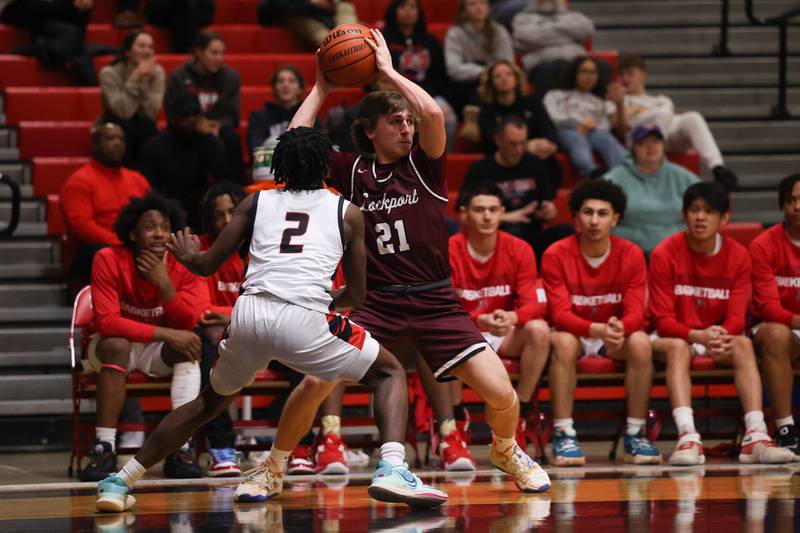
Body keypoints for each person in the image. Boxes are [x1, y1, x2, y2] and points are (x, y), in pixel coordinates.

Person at [93, 126, 447, 513]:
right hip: (304, 317)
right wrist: (327, 299)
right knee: (389, 372)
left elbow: (207, 264)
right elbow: (359, 295)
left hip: (249, 315)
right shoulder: (347, 212)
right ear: (325, 166)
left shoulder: (255, 203)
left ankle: (119, 481)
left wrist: (187, 254)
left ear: (280, 165)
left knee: (207, 403)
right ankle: (393, 467)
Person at [294, 29, 550, 492]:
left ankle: (506, 449)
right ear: (371, 131)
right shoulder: (353, 170)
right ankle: (272, 465)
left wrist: (389, 72)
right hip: (378, 303)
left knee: (502, 393)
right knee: (314, 383)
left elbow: (431, 110)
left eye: (407, 121)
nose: (407, 127)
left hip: (436, 303)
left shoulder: (425, 165)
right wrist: (322, 88)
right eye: (395, 121)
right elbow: (296, 141)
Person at [649, 182, 793, 466]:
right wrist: (697, 335)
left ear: (724, 218)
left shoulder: (739, 255)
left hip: (717, 336)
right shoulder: (664, 253)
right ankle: (687, 436)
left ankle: (756, 435)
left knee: (742, 343)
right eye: (694, 210)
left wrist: (716, 335)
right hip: (679, 335)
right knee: (678, 347)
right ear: (684, 215)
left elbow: (737, 319)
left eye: (709, 211)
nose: (700, 217)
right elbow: (663, 321)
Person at [80, 192, 206, 482]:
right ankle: (104, 446)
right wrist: (166, 333)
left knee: (189, 347)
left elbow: (188, 320)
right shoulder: (108, 258)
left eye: (164, 226)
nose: (159, 233)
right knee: (117, 345)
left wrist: (164, 284)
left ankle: (180, 447)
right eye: (150, 226)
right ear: (133, 234)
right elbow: (108, 323)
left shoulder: (183, 264)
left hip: (155, 349)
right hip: (110, 348)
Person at [541, 179, 660, 466]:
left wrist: (621, 328)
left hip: (612, 335)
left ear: (615, 219)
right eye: (588, 212)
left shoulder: (630, 253)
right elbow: (559, 315)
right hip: (577, 332)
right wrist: (599, 329)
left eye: (602, 213)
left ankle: (635, 434)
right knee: (564, 342)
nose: (594, 220)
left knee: (641, 342)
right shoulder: (556, 254)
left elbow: (635, 311)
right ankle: (564, 434)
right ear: (576, 217)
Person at [450, 183, 550, 451]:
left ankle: (521, 413)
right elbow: (441, 306)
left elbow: (536, 302)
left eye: (493, 210)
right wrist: (477, 318)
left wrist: (513, 316)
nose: (487, 216)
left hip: (503, 331)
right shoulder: (448, 249)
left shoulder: (519, 249)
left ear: (502, 213)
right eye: (479, 210)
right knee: (444, 335)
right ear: (463, 214)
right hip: (465, 332)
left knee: (540, 330)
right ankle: (456, 420)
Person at [617, 54, 738, 190]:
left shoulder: (661, 99)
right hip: (639, 141)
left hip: (666, 135)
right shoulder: (621, 101)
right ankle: (660, 165)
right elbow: (621, 127)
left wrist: (639, 110)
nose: (625, 78)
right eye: (621, 75)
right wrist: (621, 105)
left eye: (629, 73)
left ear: (643, 74)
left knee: (693, 117)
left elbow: (670, 114)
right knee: (662, 113)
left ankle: (717, 168)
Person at [461, 115, 570, 261]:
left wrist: (548, 211)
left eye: (522, 143)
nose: (518, 149)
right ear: (498, 140)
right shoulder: (480, 169)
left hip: (533, 231)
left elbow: (550, 206)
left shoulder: (535, 164)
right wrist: (506, 217)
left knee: (566, 232)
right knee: (513, 235)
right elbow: (463, 217)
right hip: (498, 233)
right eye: (512, 144)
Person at [196, 182, 247, 477]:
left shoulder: (261, 245)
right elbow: (203, 313)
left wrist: (224, 313)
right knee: (211, 337)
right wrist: (236, 315)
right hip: (221, 338)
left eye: (232, 212)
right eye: (218, 215)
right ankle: (221, 447)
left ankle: (299, 447)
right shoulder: (202, 248)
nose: (227, 221)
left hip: (257, 332)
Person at [60, 123, 151, 287]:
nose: (117, 143)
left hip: (133, 246)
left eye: (121, 139)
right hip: (95, 251)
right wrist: (121, 243)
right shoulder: (79, 181)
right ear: (95, 144)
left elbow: (153, 214)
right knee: (103, 253)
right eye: (110, 138)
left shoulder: (137, 179)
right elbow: (81, 227)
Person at [749, 174, 800, 458]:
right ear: (783, 205)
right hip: (779, 327)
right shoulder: (764, 244)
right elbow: (768, 306)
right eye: (791, 200)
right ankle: (785, 427)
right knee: (776, 334)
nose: (797, 206)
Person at [139, 92, 232, 230]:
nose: (190, 120)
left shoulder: (204, 141)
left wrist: (208, 137)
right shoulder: (154, 145)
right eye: (185, 115)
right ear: (173, 118)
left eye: (195, 115)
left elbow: (222, 175)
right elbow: (147, 188)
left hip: (199, 206)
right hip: (167, 207)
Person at [604, 123, 699, 255]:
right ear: (633, 148)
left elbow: (705, 209)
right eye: (643, 143)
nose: (650, 147)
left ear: (663, 146)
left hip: (677, 253)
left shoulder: (684, 177)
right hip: (629, 254)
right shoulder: (614, 178)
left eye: (656, 142)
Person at [165, 31, 244, 182]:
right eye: (214, 53)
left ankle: (234, 188)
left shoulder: (230, 76)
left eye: (222, 53)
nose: (219, 58)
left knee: (231, 137)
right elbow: (172, 112)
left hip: (217, 128)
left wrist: (216, 125)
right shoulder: (179, 76)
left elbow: (232, 114)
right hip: (186, 129)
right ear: (199, 52)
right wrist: (196, 124)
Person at [383, 0, 457, 152]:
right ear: (394, 11)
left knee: (448, 118)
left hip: (428, 94)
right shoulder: (384, 40)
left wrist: (425, 94)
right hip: (393, 94)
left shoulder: (430, 41)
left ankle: (437, 160)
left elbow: (441, 76)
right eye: (403, 6)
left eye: (413, 7)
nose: (408, 11)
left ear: (419, 12)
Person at [543, 56, 626, 179]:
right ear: (574, 73)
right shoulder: (555, 95)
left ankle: (623, 174)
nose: (589, 76)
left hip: (593, 132)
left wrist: (591, 126)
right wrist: (578, 123)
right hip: (566, 130)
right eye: (584, 71)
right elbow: (552, 117)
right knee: (576, 138)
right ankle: (593, 173)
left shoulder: (599, 101)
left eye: (593, 72)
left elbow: (606, 126)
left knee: (606, 139)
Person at [99, 30, 164, 168]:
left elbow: (151, 113)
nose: (147, 51)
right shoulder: (109, 73)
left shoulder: (157, 72)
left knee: (149, 128)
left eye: (151, 47)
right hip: (114, 123)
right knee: (128, 127)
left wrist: (144, 80)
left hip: (144, 126)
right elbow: (123, 112)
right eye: (142, 46)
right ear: (127, 52)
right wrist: (136, 78)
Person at [473, 60, 559, 158]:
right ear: (491, 83)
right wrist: (525, 146)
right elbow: (490, 141)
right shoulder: (487, 107)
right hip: (500, 157)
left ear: (516, 78)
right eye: (497, 76)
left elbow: (548, 128)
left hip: (535, 153)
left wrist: (549, 144)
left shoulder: (532, 101)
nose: (504, 78)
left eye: (509, 74)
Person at [511, 0, 597, 96]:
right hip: (541, 64)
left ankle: (599, 108)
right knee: (549, 69)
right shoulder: (523, 17)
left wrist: (545, 31)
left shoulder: (573, 15)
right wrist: (568, 34)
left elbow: (588, 30)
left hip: (574, 61)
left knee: (600, 66)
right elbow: (528, 36)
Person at [444, 0, 515, 116]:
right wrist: (485, 71)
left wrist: (490, 73)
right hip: (464, 87)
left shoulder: (499, 31)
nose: (478, 8)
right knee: (472, 88)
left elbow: (508, 65)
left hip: (494, 84)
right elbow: (453, 69)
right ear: (464, 10)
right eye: (472, 4)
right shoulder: (454, 34)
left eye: (482, 3)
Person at [1, 0, 96, 86]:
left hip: (53, 14)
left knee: (78, 17)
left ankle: (39, 48)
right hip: (19, 7)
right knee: (72, 31)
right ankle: (66, 53)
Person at [257, 0, 358, 49]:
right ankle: (340, 48)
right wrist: (311, 2)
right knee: (330, 41)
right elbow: (266, 8)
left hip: (330, 12)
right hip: (299, 14)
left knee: (346, 7)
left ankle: (352, 41)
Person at [144, 0, 214, 53]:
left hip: (193, 11)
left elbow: (208, 8)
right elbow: (152, 9)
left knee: (184, 8)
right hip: (163, 10)